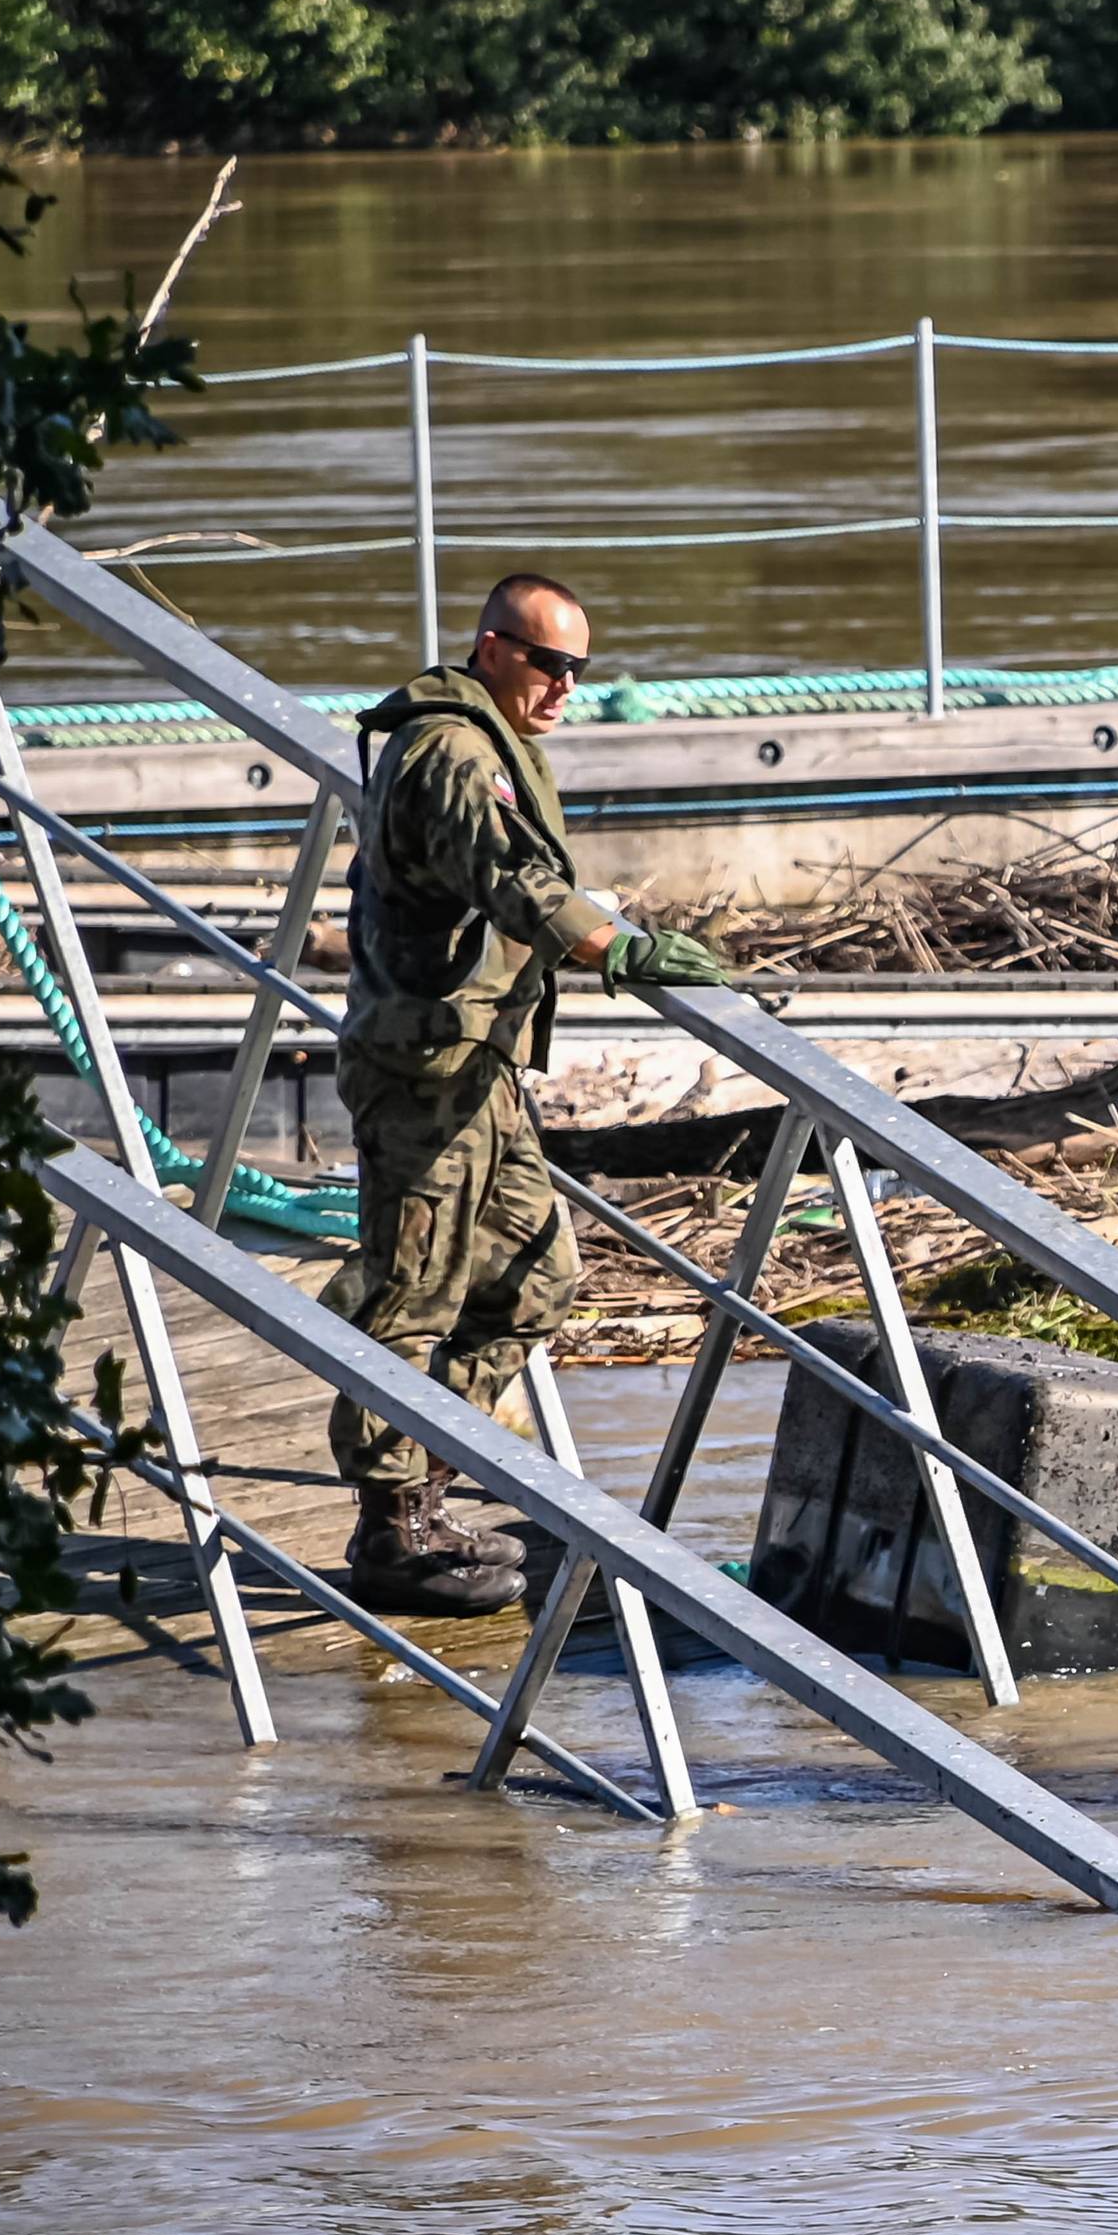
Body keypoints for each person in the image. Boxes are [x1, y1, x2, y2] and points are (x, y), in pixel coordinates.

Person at [324, 574, 733, 1613]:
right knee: (411, 1293)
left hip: (476, 1066)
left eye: (581, 672)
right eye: (549, 663)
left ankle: (422, 1476)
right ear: (493, 647)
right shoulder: (455, 753)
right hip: (421, 1074)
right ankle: (391, 1532)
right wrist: (619, 947)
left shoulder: (488, 739)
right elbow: (513, 876)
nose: (564, 688)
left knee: (538, 1279)